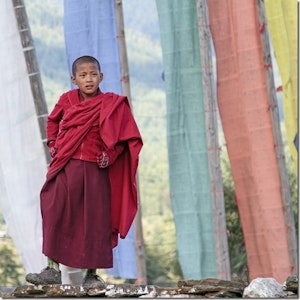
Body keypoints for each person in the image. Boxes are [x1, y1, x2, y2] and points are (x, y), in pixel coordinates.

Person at [25, 55, 143, 289]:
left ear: (101, 77)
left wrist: (110, 156)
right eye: (83, 75)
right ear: (74, 79)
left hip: (95, 172)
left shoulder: (112, 104)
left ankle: (91, 275)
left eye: (93, 74)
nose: (88, 79)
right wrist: (53, 144)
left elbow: (125, 140)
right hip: (66, 167)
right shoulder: (67, 100)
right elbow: (53, 121)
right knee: (54, 210)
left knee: (94, 220)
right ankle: (52, 269)